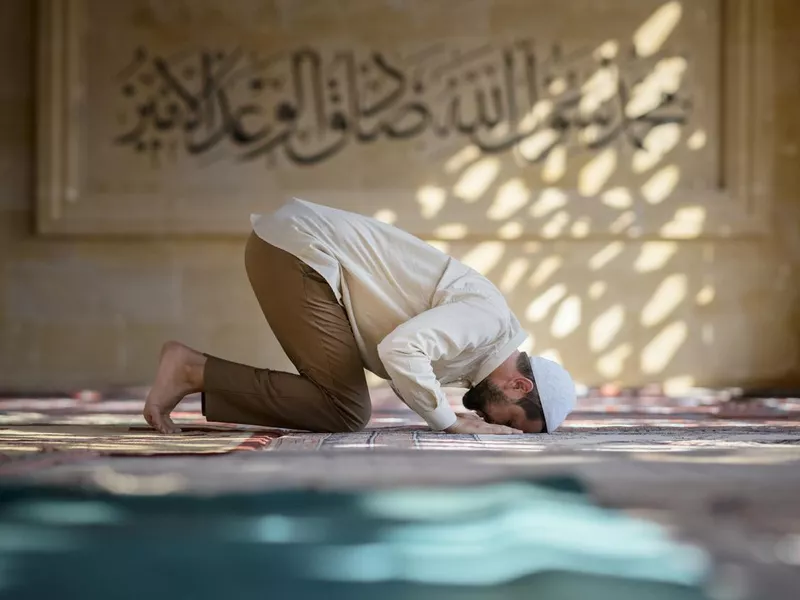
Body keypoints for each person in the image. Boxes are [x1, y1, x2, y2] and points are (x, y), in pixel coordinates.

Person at [144, 199, 576, 435]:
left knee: (345, 408)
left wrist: (444, 412)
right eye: (513, 421)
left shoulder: (474, 357)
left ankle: (194, 371)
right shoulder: (487, 322)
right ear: (519, 385)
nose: (497, 425)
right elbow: (401, 350)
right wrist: (448, 423)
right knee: (346, 410)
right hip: (301, 252)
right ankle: (190, 370)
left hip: (295, 250)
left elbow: (404, 368)